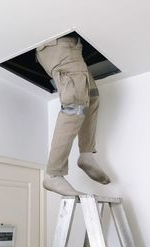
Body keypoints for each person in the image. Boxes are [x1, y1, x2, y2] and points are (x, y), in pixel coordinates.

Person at [36, 36, 110, 196]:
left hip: (72, 47)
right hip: (57, 45)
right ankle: (53, 173)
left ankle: (86, 154)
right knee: (74, 104)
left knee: (91, 96)